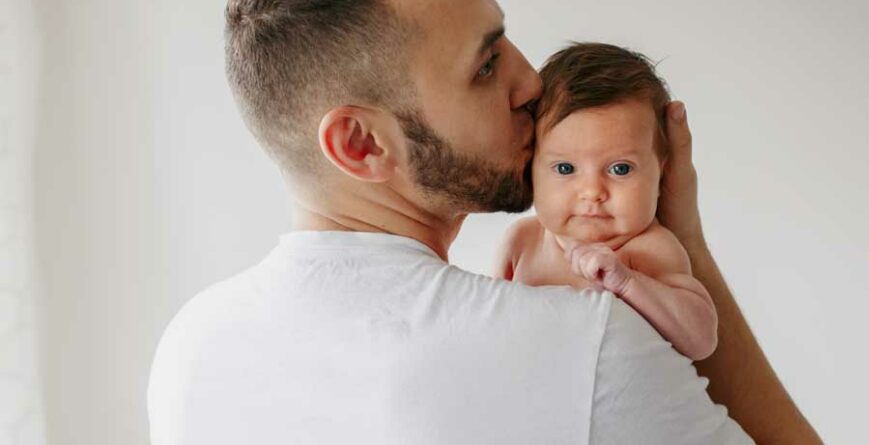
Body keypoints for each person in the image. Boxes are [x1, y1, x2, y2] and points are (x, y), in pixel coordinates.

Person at [147, 0, 822, 443]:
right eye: (487, 64)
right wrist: (686, 244)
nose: (533, 83)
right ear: (362, 144)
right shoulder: (587, 346)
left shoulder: (189, 350)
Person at [496, 43, 717, 362]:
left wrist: (627, 283)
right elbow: (489, 327)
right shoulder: (522, 243)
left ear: (662, 171)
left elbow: (701, 340)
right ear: (530, 167)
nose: (592, 192)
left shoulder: (651, 250)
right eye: (565, 168)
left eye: (620, 168)